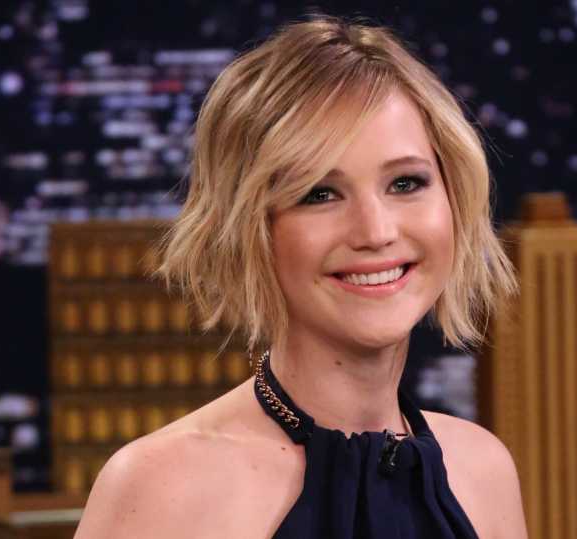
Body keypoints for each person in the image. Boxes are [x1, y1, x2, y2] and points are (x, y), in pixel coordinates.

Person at [74, 16, 526, 539]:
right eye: (319, 193)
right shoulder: (161, 489)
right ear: (250, 228)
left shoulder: (483, 472)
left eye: (405, 183)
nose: (376, 232)